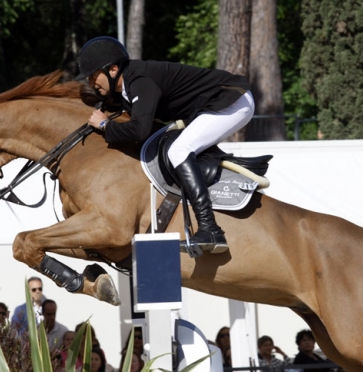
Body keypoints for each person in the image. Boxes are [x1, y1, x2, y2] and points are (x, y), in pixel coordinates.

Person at [76, 36, 255, 254]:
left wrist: (105, 125)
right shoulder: (128, 86)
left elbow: (139, 130)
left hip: (232, 101)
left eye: (93, 75)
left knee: (179, 150)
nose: (91, 82)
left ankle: (210, 228)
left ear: (113, 70)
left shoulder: (139, 80)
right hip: (216, 103)